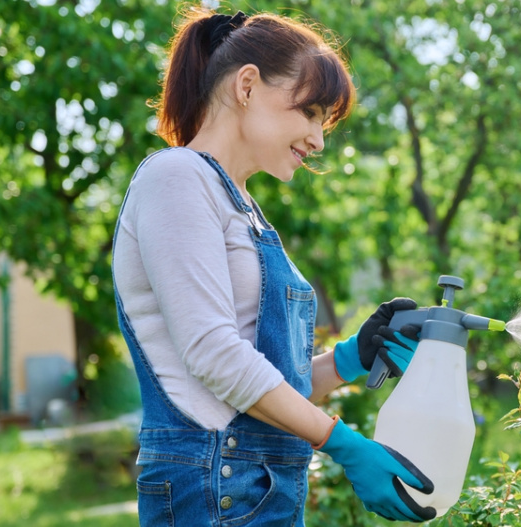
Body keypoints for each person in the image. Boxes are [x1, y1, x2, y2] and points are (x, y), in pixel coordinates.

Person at [111, 6, 435, 525]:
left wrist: (351, 358)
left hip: (257, 489)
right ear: (247, 86)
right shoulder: (175, 177)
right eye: (310, 113)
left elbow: (262, 389)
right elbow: (215, 357)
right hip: (212, 488)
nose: (319, 141)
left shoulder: (243, 208)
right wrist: (346, 444)